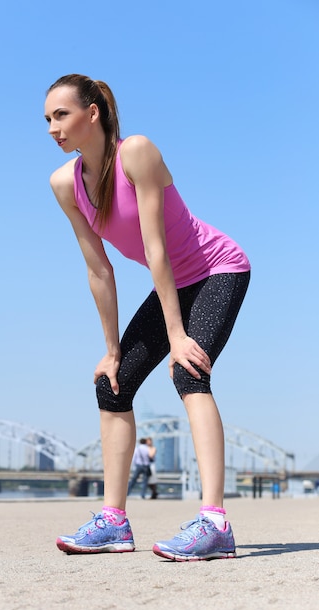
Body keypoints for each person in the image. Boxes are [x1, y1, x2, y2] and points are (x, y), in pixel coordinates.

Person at [45, 74, 250, 561]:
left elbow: (157, 249)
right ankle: (113, 521)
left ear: (92, 113)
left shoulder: (136, 152)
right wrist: (112, 351)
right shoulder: (64, 185)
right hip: (174, 285)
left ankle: (215, 523)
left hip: (217, 269)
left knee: (189, 370)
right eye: (47, 119)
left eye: (62, 115)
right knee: (112, 385)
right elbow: (99, 269)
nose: (53, 128)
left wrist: (177, 335)